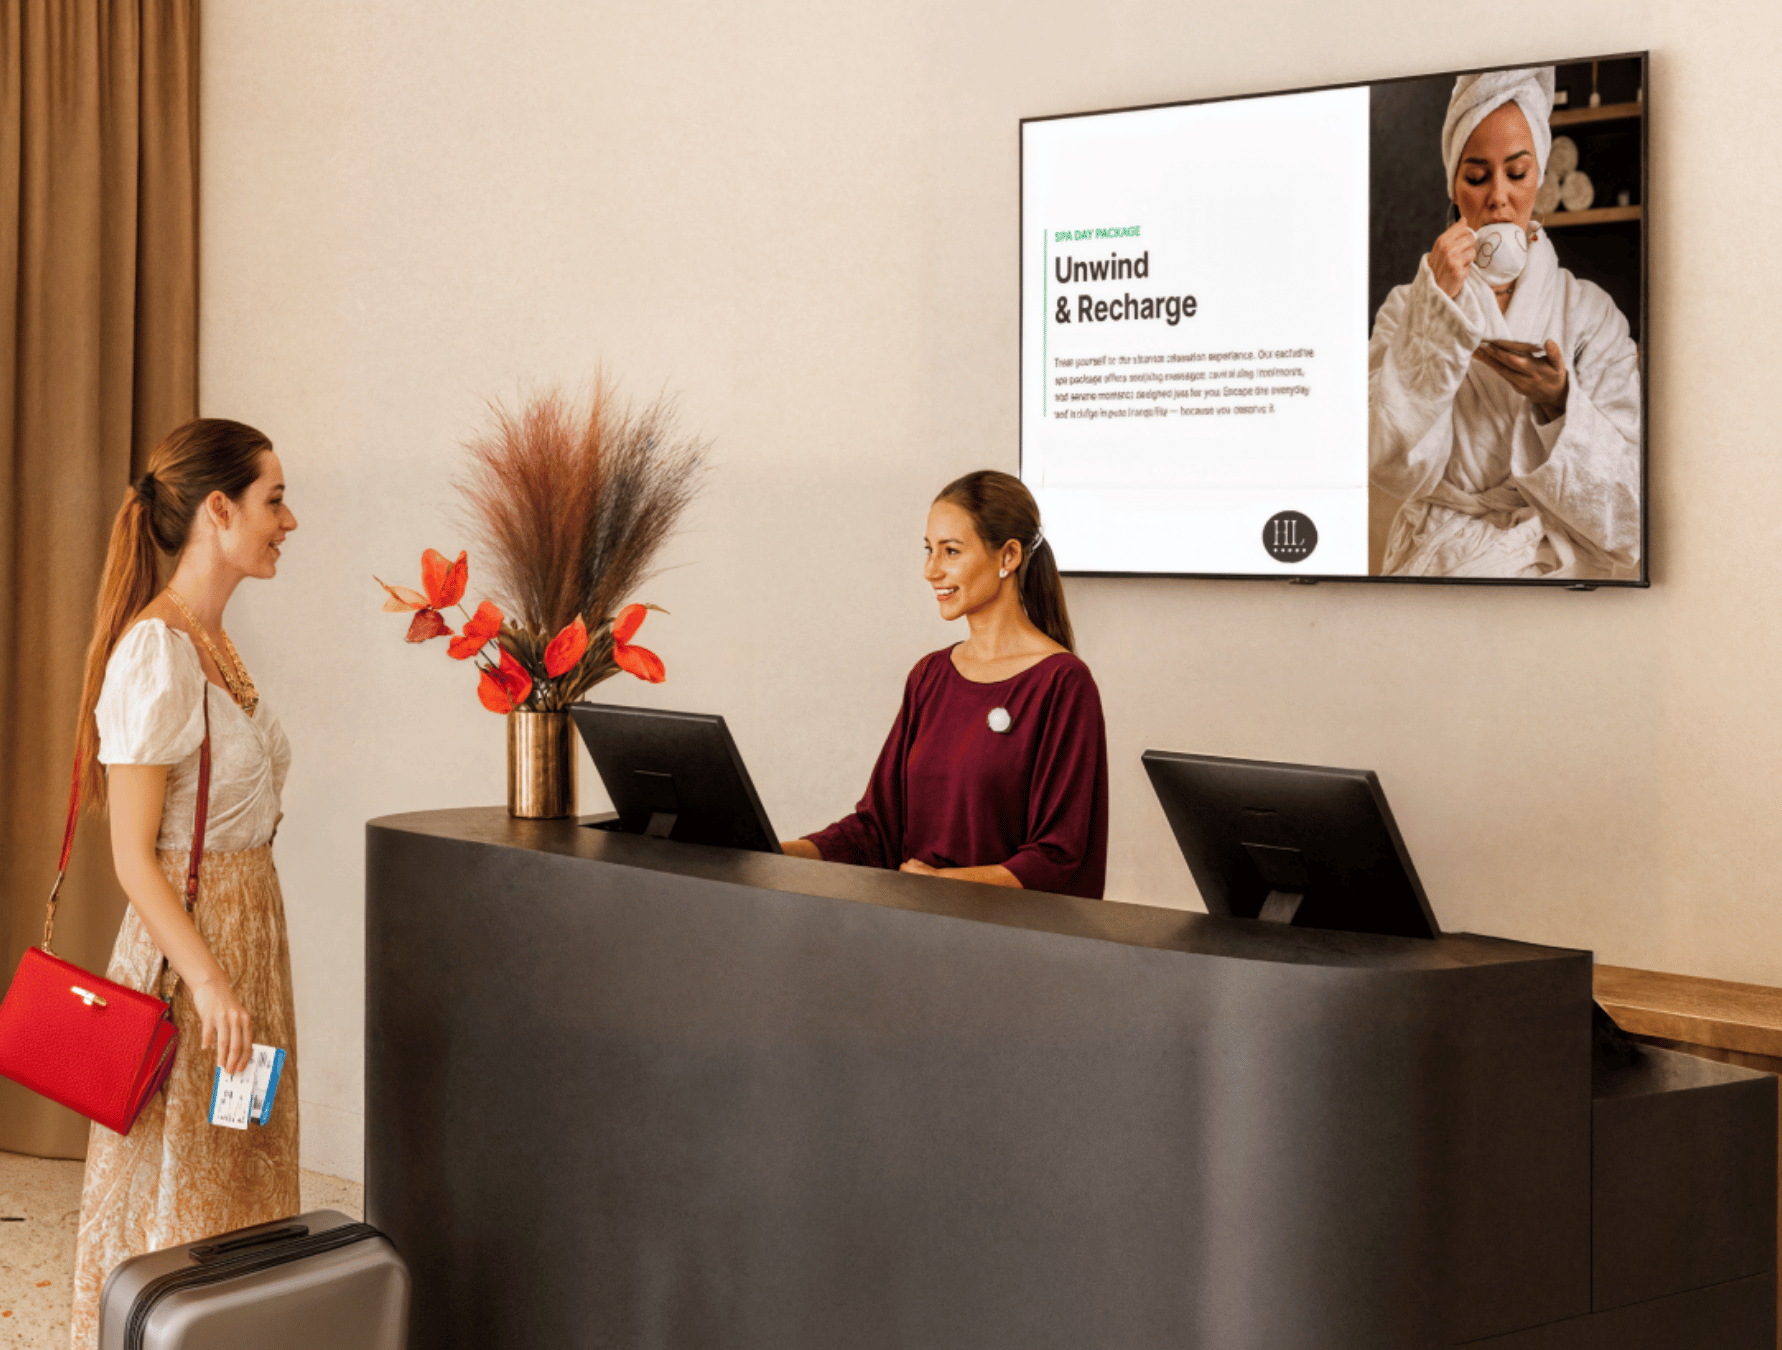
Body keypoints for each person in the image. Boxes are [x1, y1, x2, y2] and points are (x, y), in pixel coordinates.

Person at [67, 419, 300, 1350]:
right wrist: (208, 981)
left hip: (250, 939)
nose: (289, 520)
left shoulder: (215, 642)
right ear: (217, 508)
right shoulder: (158, 651)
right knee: (180, 1201)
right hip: (192, 958)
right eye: (273, 498)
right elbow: (131, 855)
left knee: (234, 1186)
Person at [782, 470, 1109, 899]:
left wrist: (942, 885)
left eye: (950, 551)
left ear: (1008, 557)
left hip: (1005, 948)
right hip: (916, 932)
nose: (930, 570)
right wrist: (771, 852)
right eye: (929, 550)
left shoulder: (1062, 684)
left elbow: (1058, 858)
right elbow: (878, 830)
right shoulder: (929, 677)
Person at [1369, 67, 1642, 579]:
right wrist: (1435, 314)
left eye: (1516, 174)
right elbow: (1387, 461)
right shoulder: (1409, 306)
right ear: (1454, 184)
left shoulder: (1590, 313)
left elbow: (1628, 513)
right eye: (1476, 176)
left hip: (1552, 563)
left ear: (1538, 176)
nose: (1498, 196)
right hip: (1441, 557)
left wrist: (1559, 404)